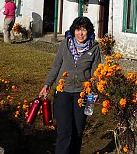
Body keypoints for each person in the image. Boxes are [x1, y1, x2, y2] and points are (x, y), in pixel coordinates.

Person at [39, 16, 101, 154]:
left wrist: (94, 91)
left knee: (78, 131)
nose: (80, 33)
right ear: (73, 31)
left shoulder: (95, 48)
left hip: (83, 94)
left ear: (89, 32)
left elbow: (95, 73)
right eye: (78, 30)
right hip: (63, 92)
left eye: (84, 30)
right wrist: (47, 84)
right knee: (64, 132)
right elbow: (56, 66)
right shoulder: (65, 44)